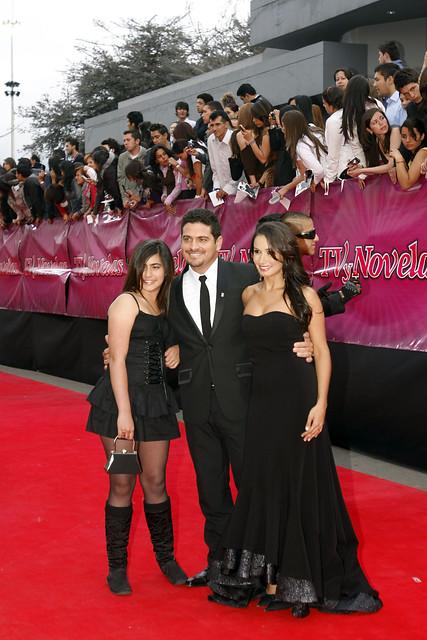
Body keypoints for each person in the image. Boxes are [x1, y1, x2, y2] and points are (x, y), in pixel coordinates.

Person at [208, 221, 382, 618]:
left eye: (270, 252)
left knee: (299, 483)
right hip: (260, 402)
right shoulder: (248, 293)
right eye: (256, 251)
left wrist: (321, 403)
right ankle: (271, 578)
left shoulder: (304, 295)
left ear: (287, 253)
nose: (262, 259)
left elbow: (321, 351)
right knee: (264, 481)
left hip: (297, 398)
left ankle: (298, 579)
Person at [87, 239, 187, 595]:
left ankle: (166, 559)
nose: (148, 274)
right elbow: (115, 359)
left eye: (156, 267)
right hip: (119, 404)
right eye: (143, 267)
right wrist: (124, 414)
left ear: (167, 269)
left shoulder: (169, 304)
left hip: (157, 403)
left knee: (156, 482)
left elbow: (182, 336)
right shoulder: (125, 303)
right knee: (122, 484)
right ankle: (116, 567)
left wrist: (176, 347)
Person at [207, 110, 240, 199]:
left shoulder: (235, 138)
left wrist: (227, 189)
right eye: (212, 125)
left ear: (226, 124)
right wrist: (217, 188)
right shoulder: (210, 140)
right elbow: (214, 169)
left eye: (218, 124)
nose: (214, 128)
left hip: (239, 191)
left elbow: (241, 171)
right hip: (220, 192)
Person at [389, 118, 427, 189]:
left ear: (422, 136)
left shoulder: (423, 152)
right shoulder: (413, 152)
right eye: (404, 136)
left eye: (412, 135)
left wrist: (398, 158)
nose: (407, 140)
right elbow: (406, 174)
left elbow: (406, 184)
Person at [117, 130, 146, 208]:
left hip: (145, 198)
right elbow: (121, 179)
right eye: (124, 141)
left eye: (128, 140)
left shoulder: (146, 153)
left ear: (137, 141)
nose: (125, 143)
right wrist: (124, 198)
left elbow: (146, 179)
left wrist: (138, 197)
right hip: (129, 198)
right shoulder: (122, 157)